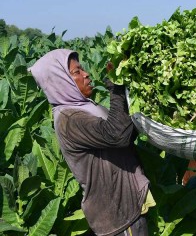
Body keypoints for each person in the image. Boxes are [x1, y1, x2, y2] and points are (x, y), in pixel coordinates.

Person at [29, 49, 154, 236]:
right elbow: (117, 135)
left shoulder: (85, 107)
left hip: (126, 207)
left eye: (83, 69)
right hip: (119, 215)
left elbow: (126, 133)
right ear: (60, 81)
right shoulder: (70, 119)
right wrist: (117, 86)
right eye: (76, 72)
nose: (86, 73)